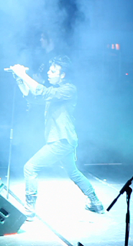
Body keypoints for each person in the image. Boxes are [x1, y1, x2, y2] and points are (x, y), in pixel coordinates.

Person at [9, 55, 105, 221]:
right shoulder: (55, 92)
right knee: (73, 172)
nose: (48, 73)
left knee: (30, 167)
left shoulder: (68, 89)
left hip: (61, 140)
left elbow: (42, 91)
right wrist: (19, 79)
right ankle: (95, 203)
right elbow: (33, 97)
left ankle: (29, 208)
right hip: (64, 140)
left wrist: (24, 75)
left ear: (63, 75)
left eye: (53, 71)